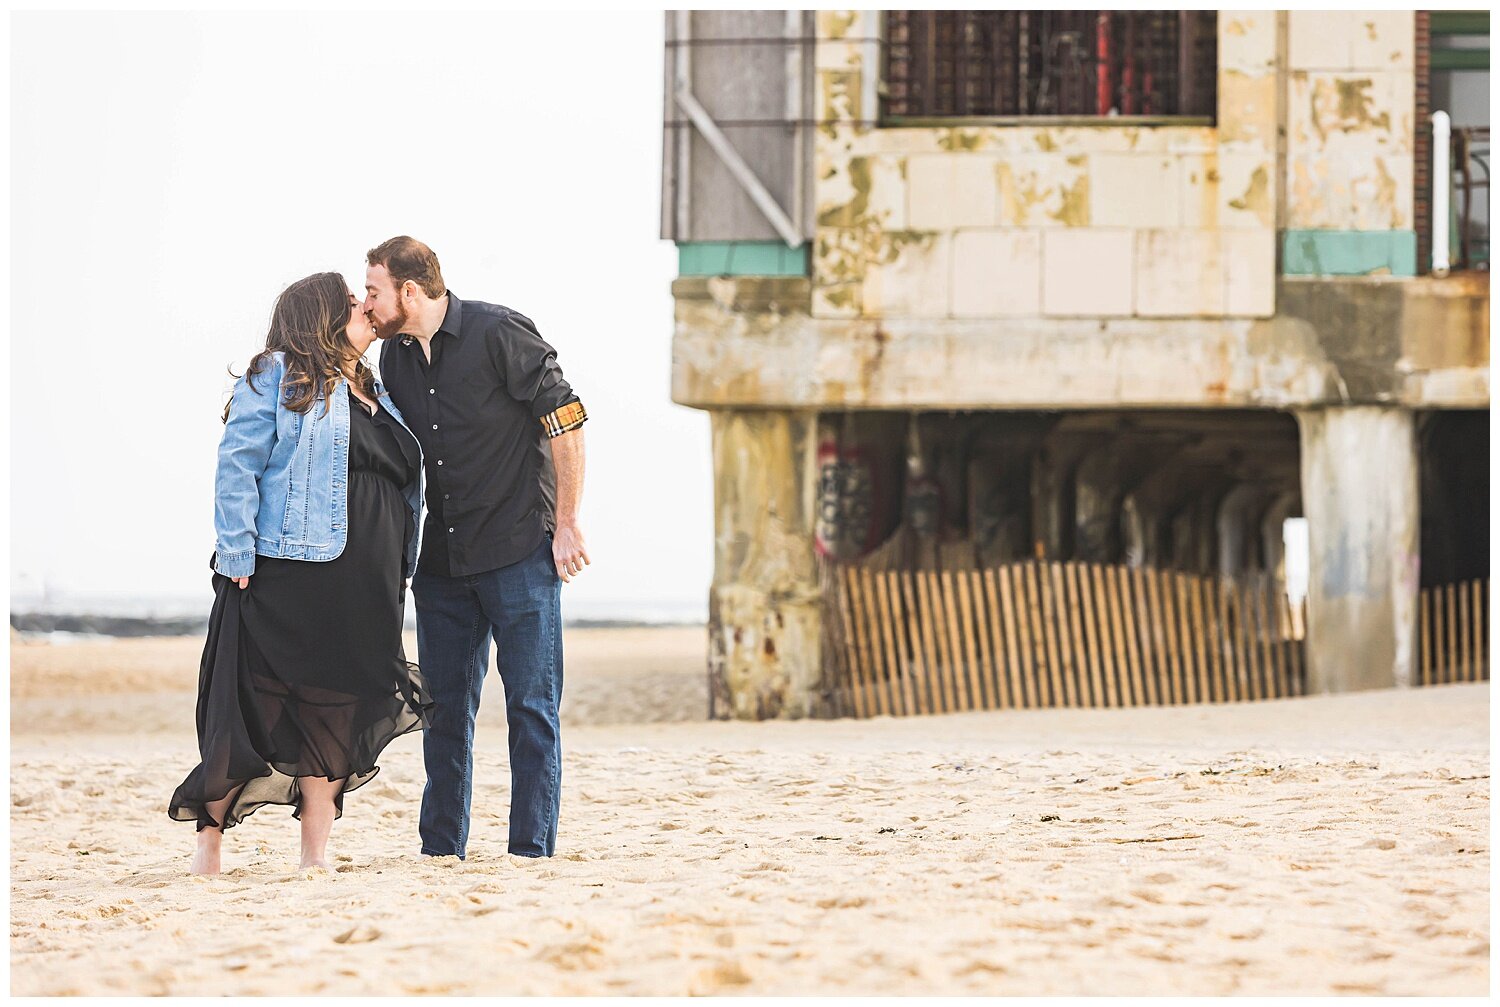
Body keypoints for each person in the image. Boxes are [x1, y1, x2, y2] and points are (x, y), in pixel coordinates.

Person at [168, 272, 432, 875]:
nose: (366, 306)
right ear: (320, 316)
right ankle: (209, 843)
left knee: (335, 707)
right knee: (255, 706)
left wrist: (399, 567)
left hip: (366, 578)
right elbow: (238, 463)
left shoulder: (374, 385)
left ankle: (316, 854)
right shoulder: (280, 374)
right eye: (351, 302)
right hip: (293, 571)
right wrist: (235, 553)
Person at [364, 236, 589, 860]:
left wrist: (566, 521)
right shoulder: (396, 363)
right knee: (444, 715)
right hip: (443, 564)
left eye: (374, 291)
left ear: (410, 291)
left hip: (519, 550)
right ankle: (441, 852)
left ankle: (530, 854)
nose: (367, 303)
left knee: (532, 712)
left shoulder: (498, 332)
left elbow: (566, 417)